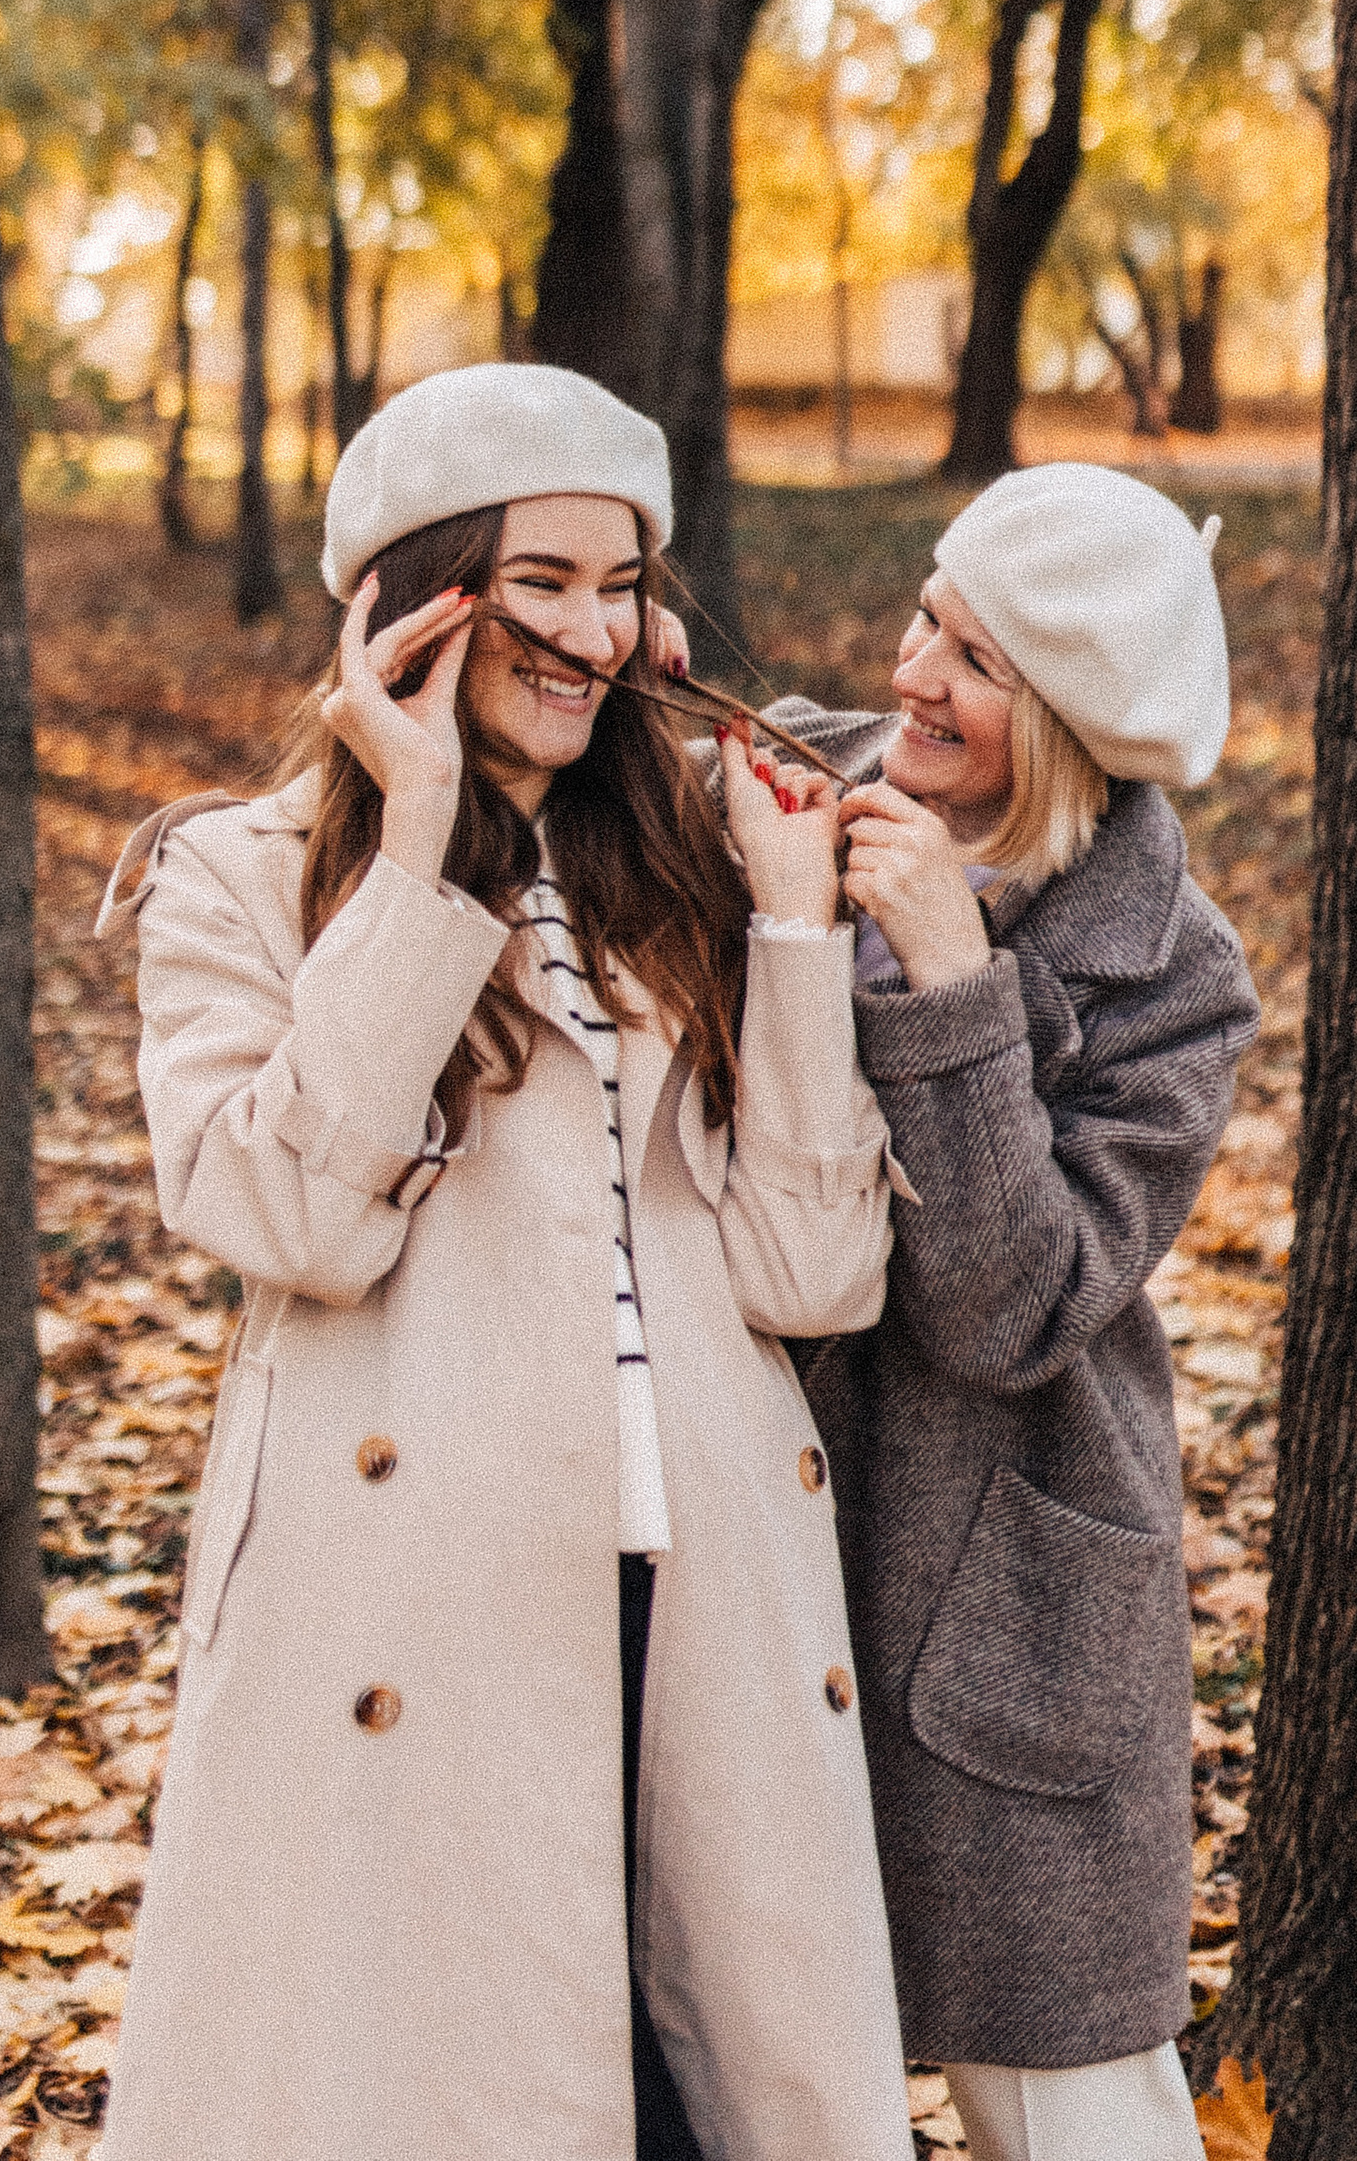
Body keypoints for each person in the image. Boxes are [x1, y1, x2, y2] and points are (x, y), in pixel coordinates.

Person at [94, 363, 915, 2161]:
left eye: (620, 585)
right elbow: (289, 1218)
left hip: (700, 1589)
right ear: (411, 598)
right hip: (413, 1605)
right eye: (536, 582)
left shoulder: (697, 859)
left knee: (706, 2108)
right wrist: (413, 845)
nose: (591, 632)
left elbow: (814, 1270)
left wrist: (789, 927)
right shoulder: (234, 878)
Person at [769, 462, 1263, 2161]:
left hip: (1001, 1572)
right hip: (757, 1537)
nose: (910, 671)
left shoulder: (1172, 970)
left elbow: (1014, 1309)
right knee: (737, 2050)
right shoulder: (790, 784)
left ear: (1055, 720)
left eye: (970, 659)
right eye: (925, 611)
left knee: (1068, 2106)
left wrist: (954, 988)